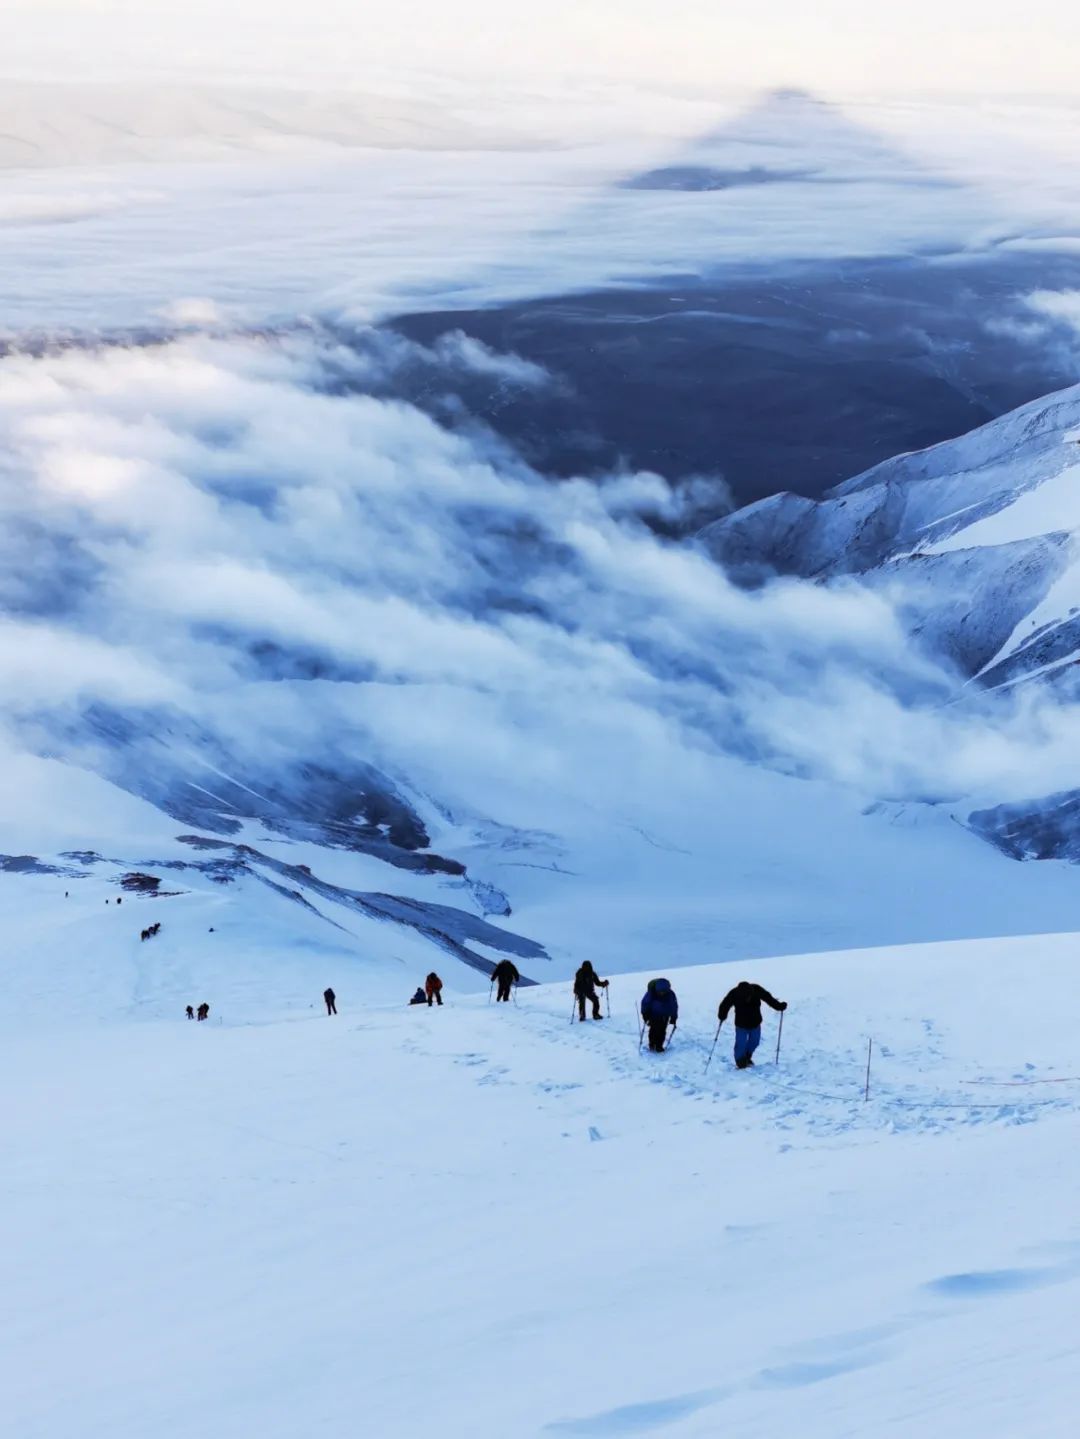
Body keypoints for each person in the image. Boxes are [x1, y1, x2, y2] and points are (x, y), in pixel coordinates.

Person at [717, 980, 787, 1069]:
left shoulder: (756, 989)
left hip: (755, 1023)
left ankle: (747, 1057)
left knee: (755, 1042)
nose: (748, 999)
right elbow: (725, 1004)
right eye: (745, 998)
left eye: (749, 996)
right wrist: (722, 1014)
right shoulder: (734, 993)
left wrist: (779, 1006)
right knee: (741, 1044)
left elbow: (768, 998)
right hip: (741, 1025)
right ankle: (740, 1061)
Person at [640, 978, 678, 1052]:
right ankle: (652, 1044)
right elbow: (645, 1004)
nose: (662, 993)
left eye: (664, 992)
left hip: (665, 1016)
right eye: (660, 992)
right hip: (653, 1015)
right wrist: (645, 1015)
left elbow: (674, 1006)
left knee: (662, 1030)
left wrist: (674, 1017)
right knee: (653, 1030)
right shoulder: (651, 993)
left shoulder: (670, 994)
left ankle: (659, 1046)